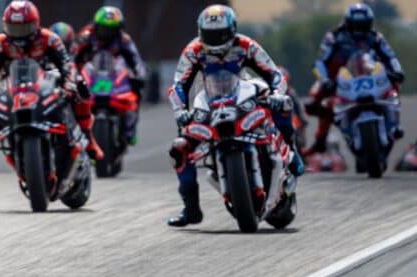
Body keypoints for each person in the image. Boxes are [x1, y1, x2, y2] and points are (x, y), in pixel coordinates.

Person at [0, 1, 101, 201]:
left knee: (81, 90)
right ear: (5, 26)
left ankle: (89, 141)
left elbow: (67, 65)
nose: (19, 33)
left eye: (24, 28)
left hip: (47, 88)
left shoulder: (50, 39)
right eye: (14, 28)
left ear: (35, 24)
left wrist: (70, 85)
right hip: (13, 94)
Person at [165, 5, 303, 227]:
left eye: (220, 34)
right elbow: (179, 84)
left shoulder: (246, 45)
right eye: (210, 35)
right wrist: (180, 110)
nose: (215, 40)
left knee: (283, 104)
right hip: (209, 102)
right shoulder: (193, 51)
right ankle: (191, 209)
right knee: (178, 148)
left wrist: (277, 93)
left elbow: (273, 73)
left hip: (242, 94)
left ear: (232, 31)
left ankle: (292, 150)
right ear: (201, 33)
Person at [303, 3, 405, 156]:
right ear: (348, 23)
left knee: (395, 83)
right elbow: (320, 63)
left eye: (363, 26)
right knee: (315, 103)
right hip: (338, 80)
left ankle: (393, 124)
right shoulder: (334, 36)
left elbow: (390, 56)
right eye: (356, 26)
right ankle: (320, 140)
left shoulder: (376, 37)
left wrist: (397, 71)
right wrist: (324, 80)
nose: (359, 31)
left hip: (371, 76)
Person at [73, 6, 148, 145]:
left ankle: (130, 129)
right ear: (96, 26)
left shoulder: (124, 40)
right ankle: (74, 131)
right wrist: (72, 74)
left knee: (137, 89)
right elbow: (72, 58)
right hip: (90, 77)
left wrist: (140, 75)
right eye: (104, 29)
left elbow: (136, 60)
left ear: (118, 29)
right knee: (71, 94)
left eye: (111, 29)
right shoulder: (86, 36)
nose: (107, 33)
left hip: (115, 78)